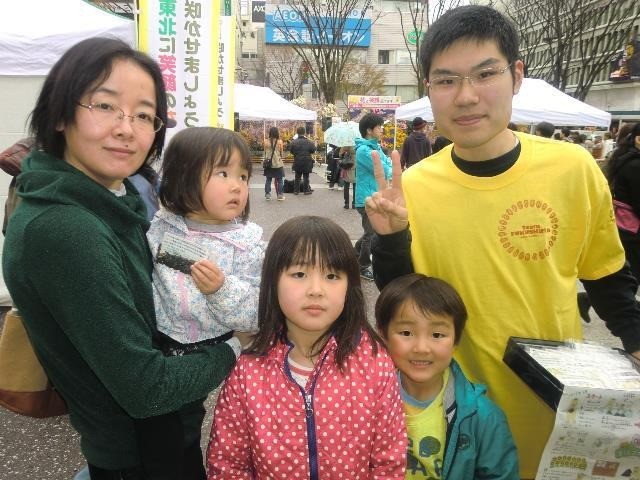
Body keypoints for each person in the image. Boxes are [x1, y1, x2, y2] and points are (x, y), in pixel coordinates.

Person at [364, 6, 640, 479]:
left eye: (484, 74)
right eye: (446, 80)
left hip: (552, 407)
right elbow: (402, 300)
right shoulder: (416, 187)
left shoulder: (573, 168)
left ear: (515, 75)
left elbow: (607, 276)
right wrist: (389, 240)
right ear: (428, 89)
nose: (467, 97)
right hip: (454, 415)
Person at [2, 37, 250, 480]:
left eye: (143, 115)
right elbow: (146, 390)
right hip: (138, 456)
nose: (126, 128)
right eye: (105, 106)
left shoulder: (108, 203)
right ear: (60, 113)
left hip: (143, 441)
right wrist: (234, 346)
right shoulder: (67, 229)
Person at [206, 215, 407, 479]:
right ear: (273, 281)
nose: (316, 290)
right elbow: (228, 465)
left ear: (350, 287)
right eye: (299, 274)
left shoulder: (373, 362)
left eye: (332, 275)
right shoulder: (247, 371)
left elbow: (389, 460)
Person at [375, 273, 518, 479]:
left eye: (437, 335)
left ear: (456, 341)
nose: (422, 348)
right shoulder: (367, 403)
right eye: (406, 333)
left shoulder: (484, 417)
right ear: (384, 334)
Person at [355, 113, 392, 281]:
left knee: (370, 232)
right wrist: (388, 167)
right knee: (372, 233)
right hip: (367, 198)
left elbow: (388, 165)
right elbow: (384, 170)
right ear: (369, 130)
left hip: (375, 195)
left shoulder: (374, 148)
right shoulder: (364, 150)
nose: (381, 129)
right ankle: (363, 265)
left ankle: (354, 254)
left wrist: (388, 166)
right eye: (379, 127)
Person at [289, 126, 316, 195]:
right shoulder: (309, 142)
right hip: (307, 161)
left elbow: (291, 151)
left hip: (297, 160)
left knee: (297, 176)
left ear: (297, 133)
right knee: (306, 177)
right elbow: (313, 150)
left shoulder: (293, 142)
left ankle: (296, 191)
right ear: (304, 133)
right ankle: (306, 190)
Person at [263, 126, 286, 201]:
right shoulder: (280, 142)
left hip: (268, 164)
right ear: (277, 133)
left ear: (270, 133)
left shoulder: (266, 141)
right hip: (278, 163)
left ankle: (267, 195)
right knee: (280, 180)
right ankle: (280, 195)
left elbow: (265, 152)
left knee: (268, 179)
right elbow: (281, 153)